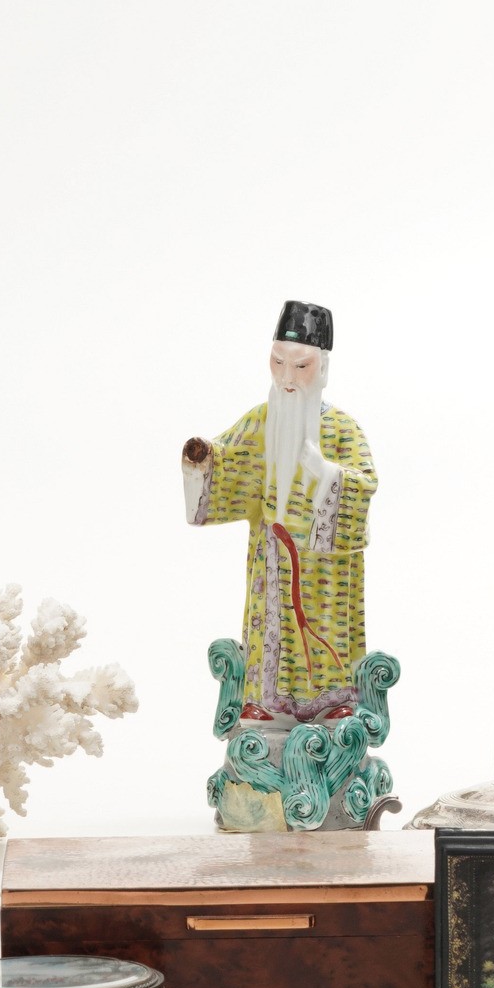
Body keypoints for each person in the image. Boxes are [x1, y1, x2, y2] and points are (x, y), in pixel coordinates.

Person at [180, 302, 378, 720]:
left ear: (323, 368)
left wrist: (326, 472)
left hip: (323, 569)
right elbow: (230, 462)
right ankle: (263, 700)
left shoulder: (342, 429)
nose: (287, 378)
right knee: (268, 624)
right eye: (278, 362)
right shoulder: (261, 421)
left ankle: (331, 702)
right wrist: (202, 459)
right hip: (270, 556)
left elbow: (364, 483)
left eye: (301, 366)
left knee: (321, 625)